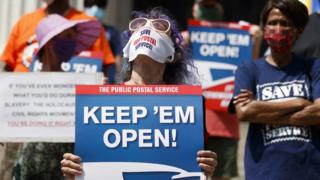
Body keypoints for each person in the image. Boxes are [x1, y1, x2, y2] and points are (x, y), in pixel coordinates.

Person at [61, 7, 218, 179]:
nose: (147, 30)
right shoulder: (100, 100)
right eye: (138, 26)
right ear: (127, 50)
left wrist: (206, 168)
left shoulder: (189, 104)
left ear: (172, 53)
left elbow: (195, 163)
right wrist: (76, 170)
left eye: (159, 27)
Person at [0, 0, 114, 178]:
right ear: (51, 42)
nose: (73, 43)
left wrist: (102, 92)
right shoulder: (21, 88)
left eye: (73, 38)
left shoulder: (79, 86)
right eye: (68, 37)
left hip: (64, 166)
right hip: (25, 167)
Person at [231, 0, 320, 179]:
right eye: (272, 23)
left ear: (298, 30)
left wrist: (259, 106)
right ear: (264, 28)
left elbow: (319, 114)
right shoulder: (248, 69)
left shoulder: (313, 67)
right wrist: (299, 102)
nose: (278, 28)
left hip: (308, 171)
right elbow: (244, 112)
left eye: (285, 23)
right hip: (264, 172)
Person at [181, 0, 262, 179]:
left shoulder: (238, 36)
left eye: (212, 6)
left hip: (226, 127)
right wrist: (180, 43)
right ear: (194, 9)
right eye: (204, 6)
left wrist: (254, 41)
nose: (208, 11)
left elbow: (250, 69)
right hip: (191, 125)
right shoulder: (184, 38)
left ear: (221, 9)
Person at [84, 0, 122, 83]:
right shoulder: (75, 30)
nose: (95, 9)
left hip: (105, 79)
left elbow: (117, 57)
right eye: (90, 5)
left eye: (100, 5)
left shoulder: (111, 32)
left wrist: (117, 78)